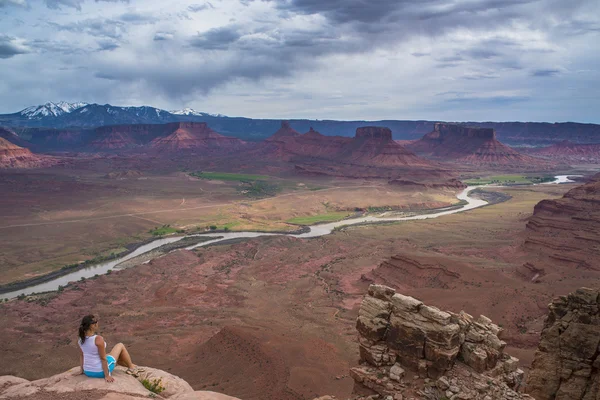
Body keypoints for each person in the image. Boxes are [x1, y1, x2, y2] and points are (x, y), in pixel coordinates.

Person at [77, 314, 144, 382]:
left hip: (88, 371)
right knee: (120, 345)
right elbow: (103, 358)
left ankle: (131, 365)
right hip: (100, 372)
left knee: (112, 355)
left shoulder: (81, 339)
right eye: (96, 321)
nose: (97, 323)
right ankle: (132, 368)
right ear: (92, 325)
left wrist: (81, 370)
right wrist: (107, 375)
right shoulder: (98, 339)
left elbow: (82, 355)